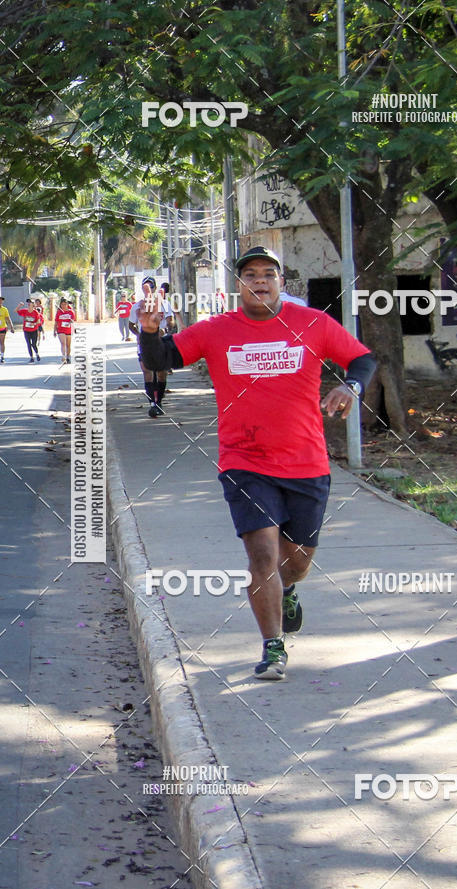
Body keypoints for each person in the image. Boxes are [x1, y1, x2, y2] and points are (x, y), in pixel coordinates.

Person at [138, 245, 376, 680]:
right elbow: (162, 360)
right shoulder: (217, 329)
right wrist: (150, 332)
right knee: (262, 555)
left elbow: (362, 358)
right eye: (250, 274)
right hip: (244, 461)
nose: (260, 280)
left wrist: (352, 387)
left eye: (268, 273)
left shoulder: (313, 323)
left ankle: (289, 590)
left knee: (296, 562)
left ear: (281, 282)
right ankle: (273, 647)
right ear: (239, 285)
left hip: (306, 462)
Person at [129, 276, 174, 417]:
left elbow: (171, 322)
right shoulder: (137, 306)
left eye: (151, 286)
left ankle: (159, 402)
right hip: (145, 343)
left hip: (161, 343)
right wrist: (138, 334)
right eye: (145, 287)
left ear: (155, 288)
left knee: (161, 374)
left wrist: (165, 330)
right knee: (147, 373)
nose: (148, 289)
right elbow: (131, 325)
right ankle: (152, 404)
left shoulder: (164, 304)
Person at [16, 298, 42, 362]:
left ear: (33, 304)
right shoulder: (25, 311)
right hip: (26, 330)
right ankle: (31, 357)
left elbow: (38, 321)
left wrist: (34, 324)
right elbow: (16, 311)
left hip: (34, 330)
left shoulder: (35, 312)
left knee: (33, 344)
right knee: (28, 344)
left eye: (30, 302)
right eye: (28, 302)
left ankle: (37, 354)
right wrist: (19, 305)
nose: (29, 303)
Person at [54, 297, 76, 363]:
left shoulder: (71, 312)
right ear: (60, 305)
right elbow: (56, 322)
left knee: (68, 345)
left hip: (68, 330)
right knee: (63, 343)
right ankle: (63, 356)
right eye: (62, 304)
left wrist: (70, 322)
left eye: (65, 304)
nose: (63, 306)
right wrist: (54, 330)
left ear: (67, 304)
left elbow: (73, 321)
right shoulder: (59, 312)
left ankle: (68, 357)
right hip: (60, 330)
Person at [0, 296, 15, 363]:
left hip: (2, 328)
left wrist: (11, 327)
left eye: (1, 300)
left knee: (2, 342)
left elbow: (8, 318)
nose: (0, 301)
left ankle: (2, 356)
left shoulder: (4, 309)